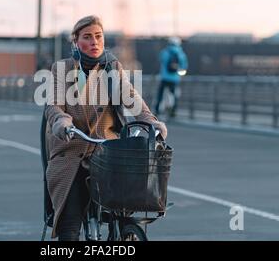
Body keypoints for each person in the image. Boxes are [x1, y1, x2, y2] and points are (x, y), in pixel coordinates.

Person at [42, 15, 167, 241]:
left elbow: (132, 98)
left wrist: (152, 122)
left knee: (125, 208)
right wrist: (62, 121)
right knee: (69, 228)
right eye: (87, 37)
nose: (94, 42)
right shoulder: (62, 68)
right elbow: (53, 105)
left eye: (98, 36)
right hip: (72, 148)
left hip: (106, 151)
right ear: (75, 41)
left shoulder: (112, 67)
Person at [154, 36, 188, 118]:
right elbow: (184, 66)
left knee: (160, 94)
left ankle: (157, 111)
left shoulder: (165, 52)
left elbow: (161, 60)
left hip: (164, 77)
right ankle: (173, 111)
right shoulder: (181, 54)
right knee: (174, 94)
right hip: (175, 78)